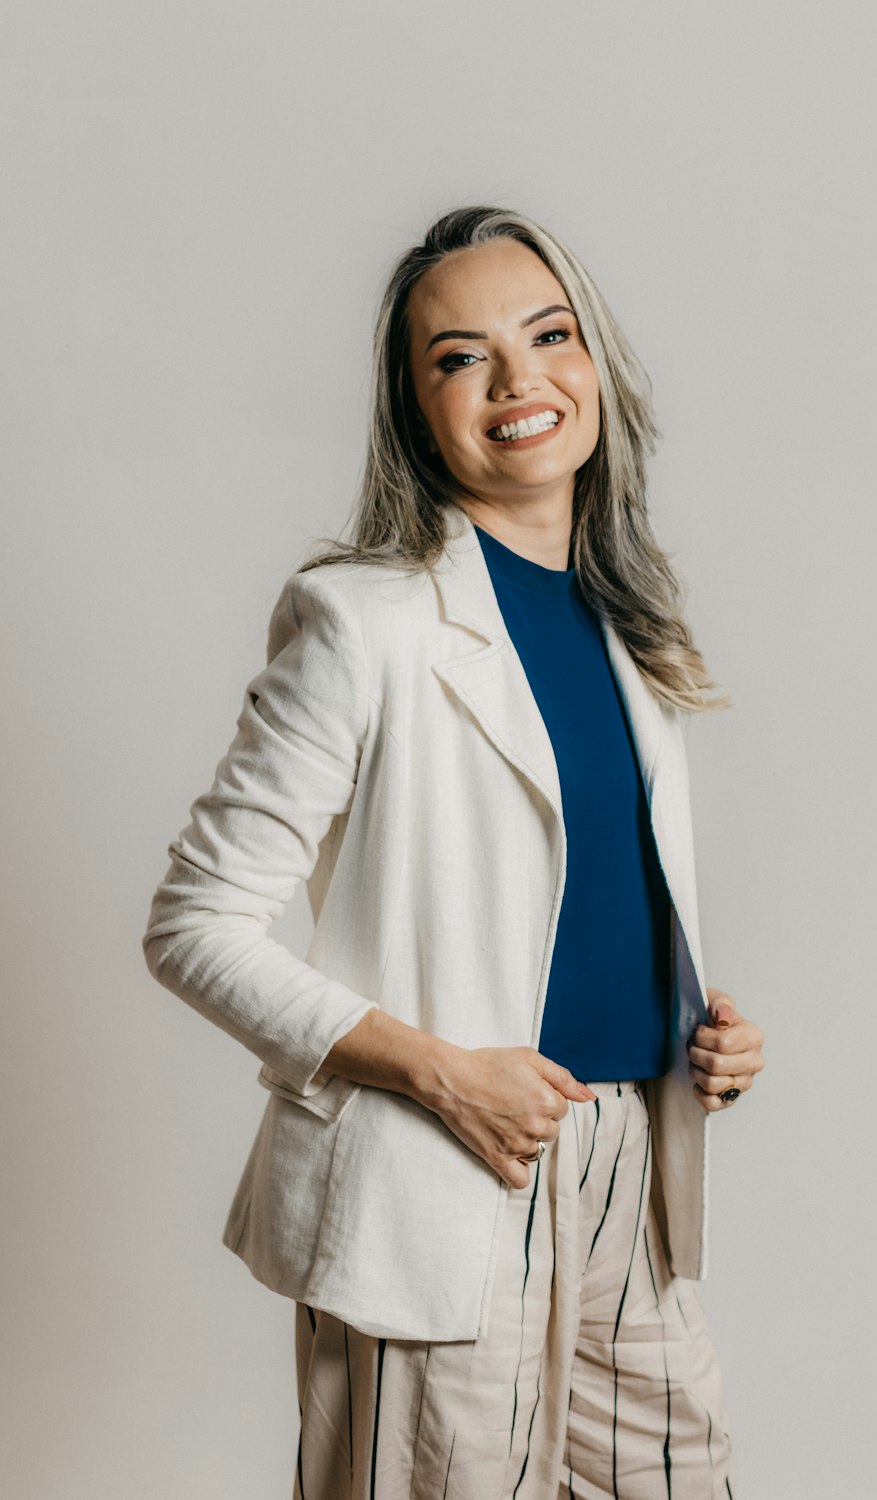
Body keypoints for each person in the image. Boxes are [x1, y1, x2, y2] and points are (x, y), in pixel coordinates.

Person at [143, 204, 765, 1499]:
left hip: (630, 1165)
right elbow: (194, 924)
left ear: (595, 362)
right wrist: (437, 1073)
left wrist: (697, 1025)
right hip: (447, 1170)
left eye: (549, 335)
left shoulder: (623, 628)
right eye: (459, 356)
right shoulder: (360, 620)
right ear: (415, 411)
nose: (518, 380)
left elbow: (562, 894)